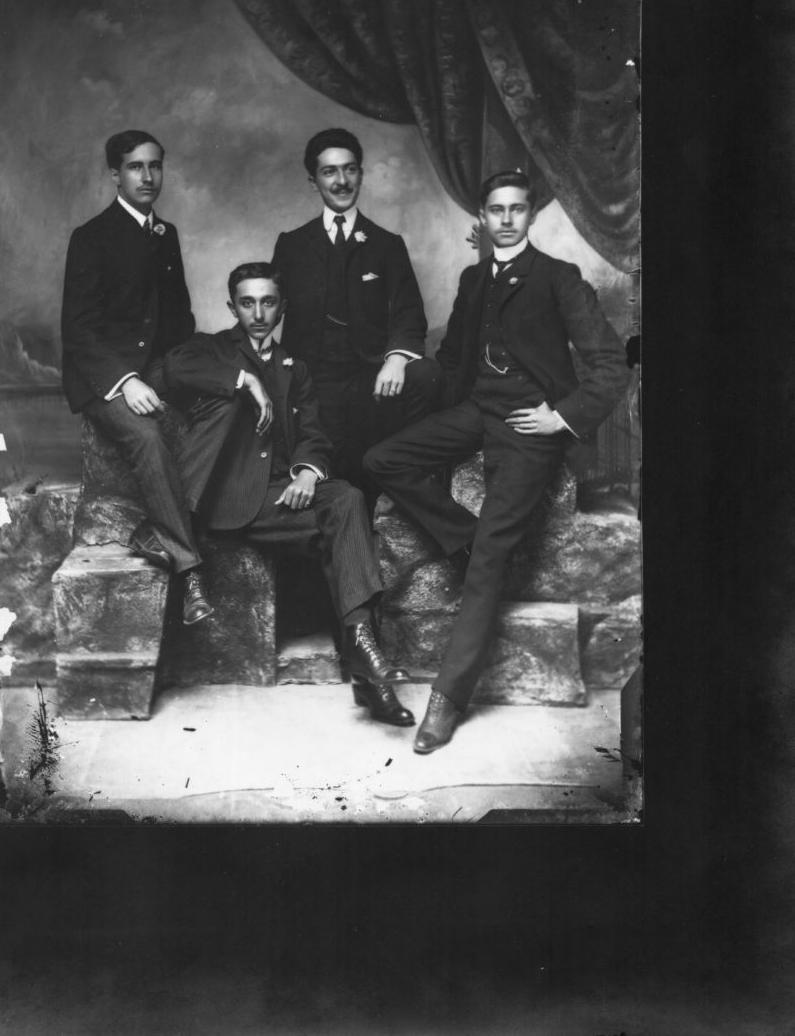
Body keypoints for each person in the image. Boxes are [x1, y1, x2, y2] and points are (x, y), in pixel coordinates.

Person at [363, 171, 631, 753]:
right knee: (383, 458)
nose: (506, 219)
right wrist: (414, 380)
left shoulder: (559, 277)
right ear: (481, 218)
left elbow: (612, 364)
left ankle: (447, 699)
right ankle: (462, 538)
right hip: (475, 411)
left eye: (517, 209)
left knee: (490, 559)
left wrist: (561, 417)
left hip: (529, 428)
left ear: (531, 215)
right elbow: (453, 359)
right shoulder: (473, 278)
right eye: (495, 210)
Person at [162, 263, 414, 727]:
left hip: (280, 496)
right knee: (343, 529)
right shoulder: (212, 349)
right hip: (230, 498)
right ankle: (369, 673)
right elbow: (174, 367)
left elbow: (314, 435)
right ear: (232, 308)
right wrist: (244, 380)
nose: (258, 314)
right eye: (247, 303)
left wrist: (308, 474)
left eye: (268, 302)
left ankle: (365, 659)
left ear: (282, 308)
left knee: (346, 500)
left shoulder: (295, 369)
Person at [61, 129, 213, 625]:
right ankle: (190, 569)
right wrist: (127, 381)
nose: (148, 176)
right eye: (135, 167)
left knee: (225, 402)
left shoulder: (166, 234)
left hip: (156, 368)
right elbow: (79, 331)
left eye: (155, 166)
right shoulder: (90, 237)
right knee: (147, 436)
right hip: (103, 376)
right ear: (115, 174)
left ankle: (159, 528)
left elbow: (180, 320)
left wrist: (191, 372)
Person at [271, 128, 441, 503]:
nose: (342, 181)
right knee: (332, 477)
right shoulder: (292, 245)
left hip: (370, 379)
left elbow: (409, 312)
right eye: (329, 171)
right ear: (313, 181)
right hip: (312, 381)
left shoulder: (386, 245)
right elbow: (266, 311)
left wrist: (396, 360)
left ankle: (405, 483)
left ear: (361, 174)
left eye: (349, 169)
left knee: (425, 375)